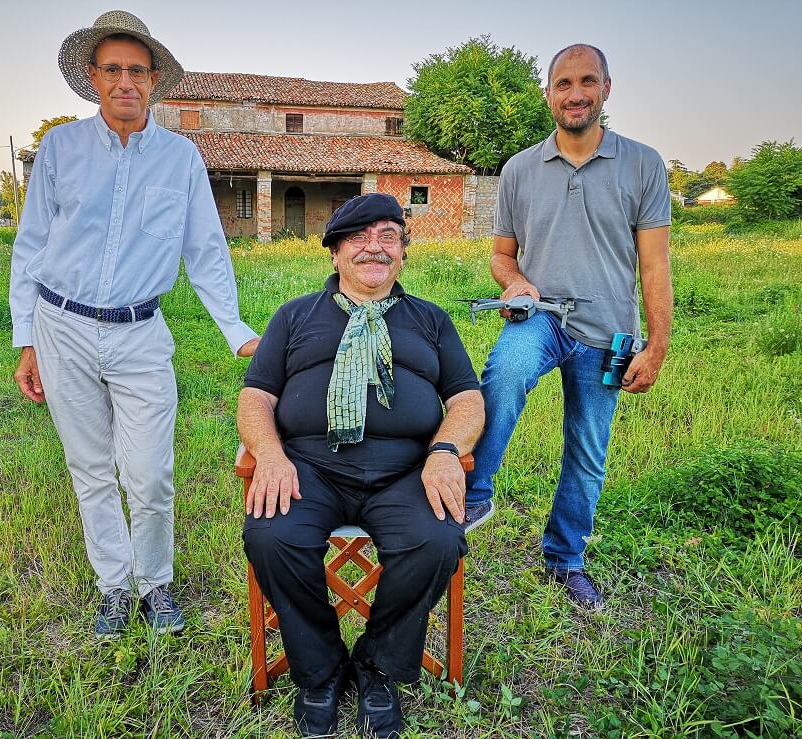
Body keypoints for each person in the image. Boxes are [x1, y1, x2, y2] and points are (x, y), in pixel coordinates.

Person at [8, 11, 258, 637]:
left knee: (149, 472)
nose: (125, 81)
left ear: (154, 82)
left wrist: (235, 328)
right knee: (91, 470)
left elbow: (205, 249)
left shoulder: (181, 159)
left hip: (141, 332)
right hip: (60, 325)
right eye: (113, 69)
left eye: (137, 72)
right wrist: (27, 339)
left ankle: (156, 582)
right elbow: (30, 246)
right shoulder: (61, 148)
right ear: (93, 78)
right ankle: (114, 587)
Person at [238, 193, 484, 738]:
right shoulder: (295, 315)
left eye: (388, 237)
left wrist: (445, 452)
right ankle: (321, 670)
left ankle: (377, 666)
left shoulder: (431, 320)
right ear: (334, 253)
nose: (373, 247)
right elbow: (256, 397)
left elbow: (466, 398)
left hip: (406, 470)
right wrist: (271, 454)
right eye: (357, 237)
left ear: (403, 253)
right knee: (272, 536)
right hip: (310, 466)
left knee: (438, 539)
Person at [463, 43, 673, 609]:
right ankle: (474, 496)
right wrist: (514, 284)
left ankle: (565, 559)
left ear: (607, 88)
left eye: (587, 81)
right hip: (543, 316)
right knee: (504, 370)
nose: (575, 93)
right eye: (563, 83)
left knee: (586, 448)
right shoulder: (519, 170)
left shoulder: (643, 164)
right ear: (548, 92)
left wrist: (656, 348)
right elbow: (503, 255)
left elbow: (654, 265)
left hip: (608, 331)